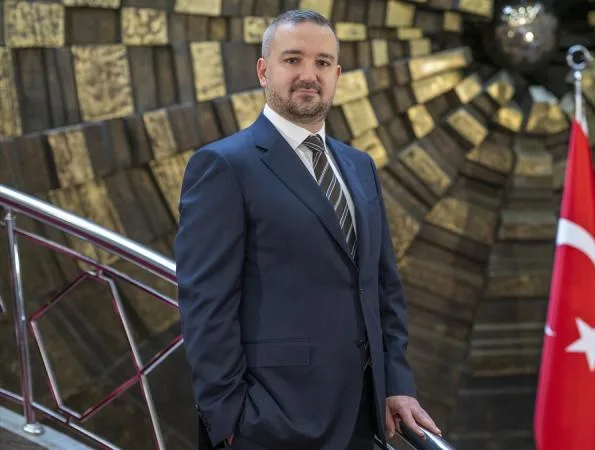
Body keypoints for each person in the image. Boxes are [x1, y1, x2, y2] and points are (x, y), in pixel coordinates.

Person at [175, 9, 441, 450]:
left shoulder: (359, 166)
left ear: (337, 74)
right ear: (264, 70)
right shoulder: (224, 166)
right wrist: (229, 419)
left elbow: (382, 287)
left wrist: (396, 382)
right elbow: (206, 304)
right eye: (292, 59)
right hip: (270, 423)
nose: (308, 75)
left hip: (363, 418)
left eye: (322, 63)